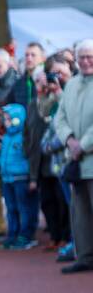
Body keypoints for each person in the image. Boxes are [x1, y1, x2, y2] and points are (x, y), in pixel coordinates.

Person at [53, 38, 93, 273]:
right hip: (76, 162)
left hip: (88, 157)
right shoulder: (71, 85)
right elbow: (60, 117)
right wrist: (69, 139)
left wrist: (83, 145)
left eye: (90, 57)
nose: (86, 61)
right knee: (80, 214)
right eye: (82, 57)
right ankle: (85, 256)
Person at [33, 58, 72, 250]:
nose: (57, 76)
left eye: (60, 71)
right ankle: (71, 241)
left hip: (71, 151)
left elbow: (69, 111)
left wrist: (58, 91)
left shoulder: (75, 86)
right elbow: (44, 113)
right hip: (56, 156)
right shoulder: (53, 92)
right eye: (53, 73)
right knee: (63, 201)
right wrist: (43, 91)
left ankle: (73, 240)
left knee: (72, 203)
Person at [0, 103, 38, 250]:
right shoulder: (7, 137)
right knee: (11, 208)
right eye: (5, 119)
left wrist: (32, 178)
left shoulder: (24, 137)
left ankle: (25, 235)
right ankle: (13, 234)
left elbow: (30, 158)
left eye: (9, 119)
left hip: (20, 178)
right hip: (7, 178)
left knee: (24, 208)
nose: (6, 122)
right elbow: (4, 155)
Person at [12, 42, 45, 108]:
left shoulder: (46, 80)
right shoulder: (19, 82)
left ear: (42, 58)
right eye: (26, 55)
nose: (29, 58)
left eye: (33, 55)